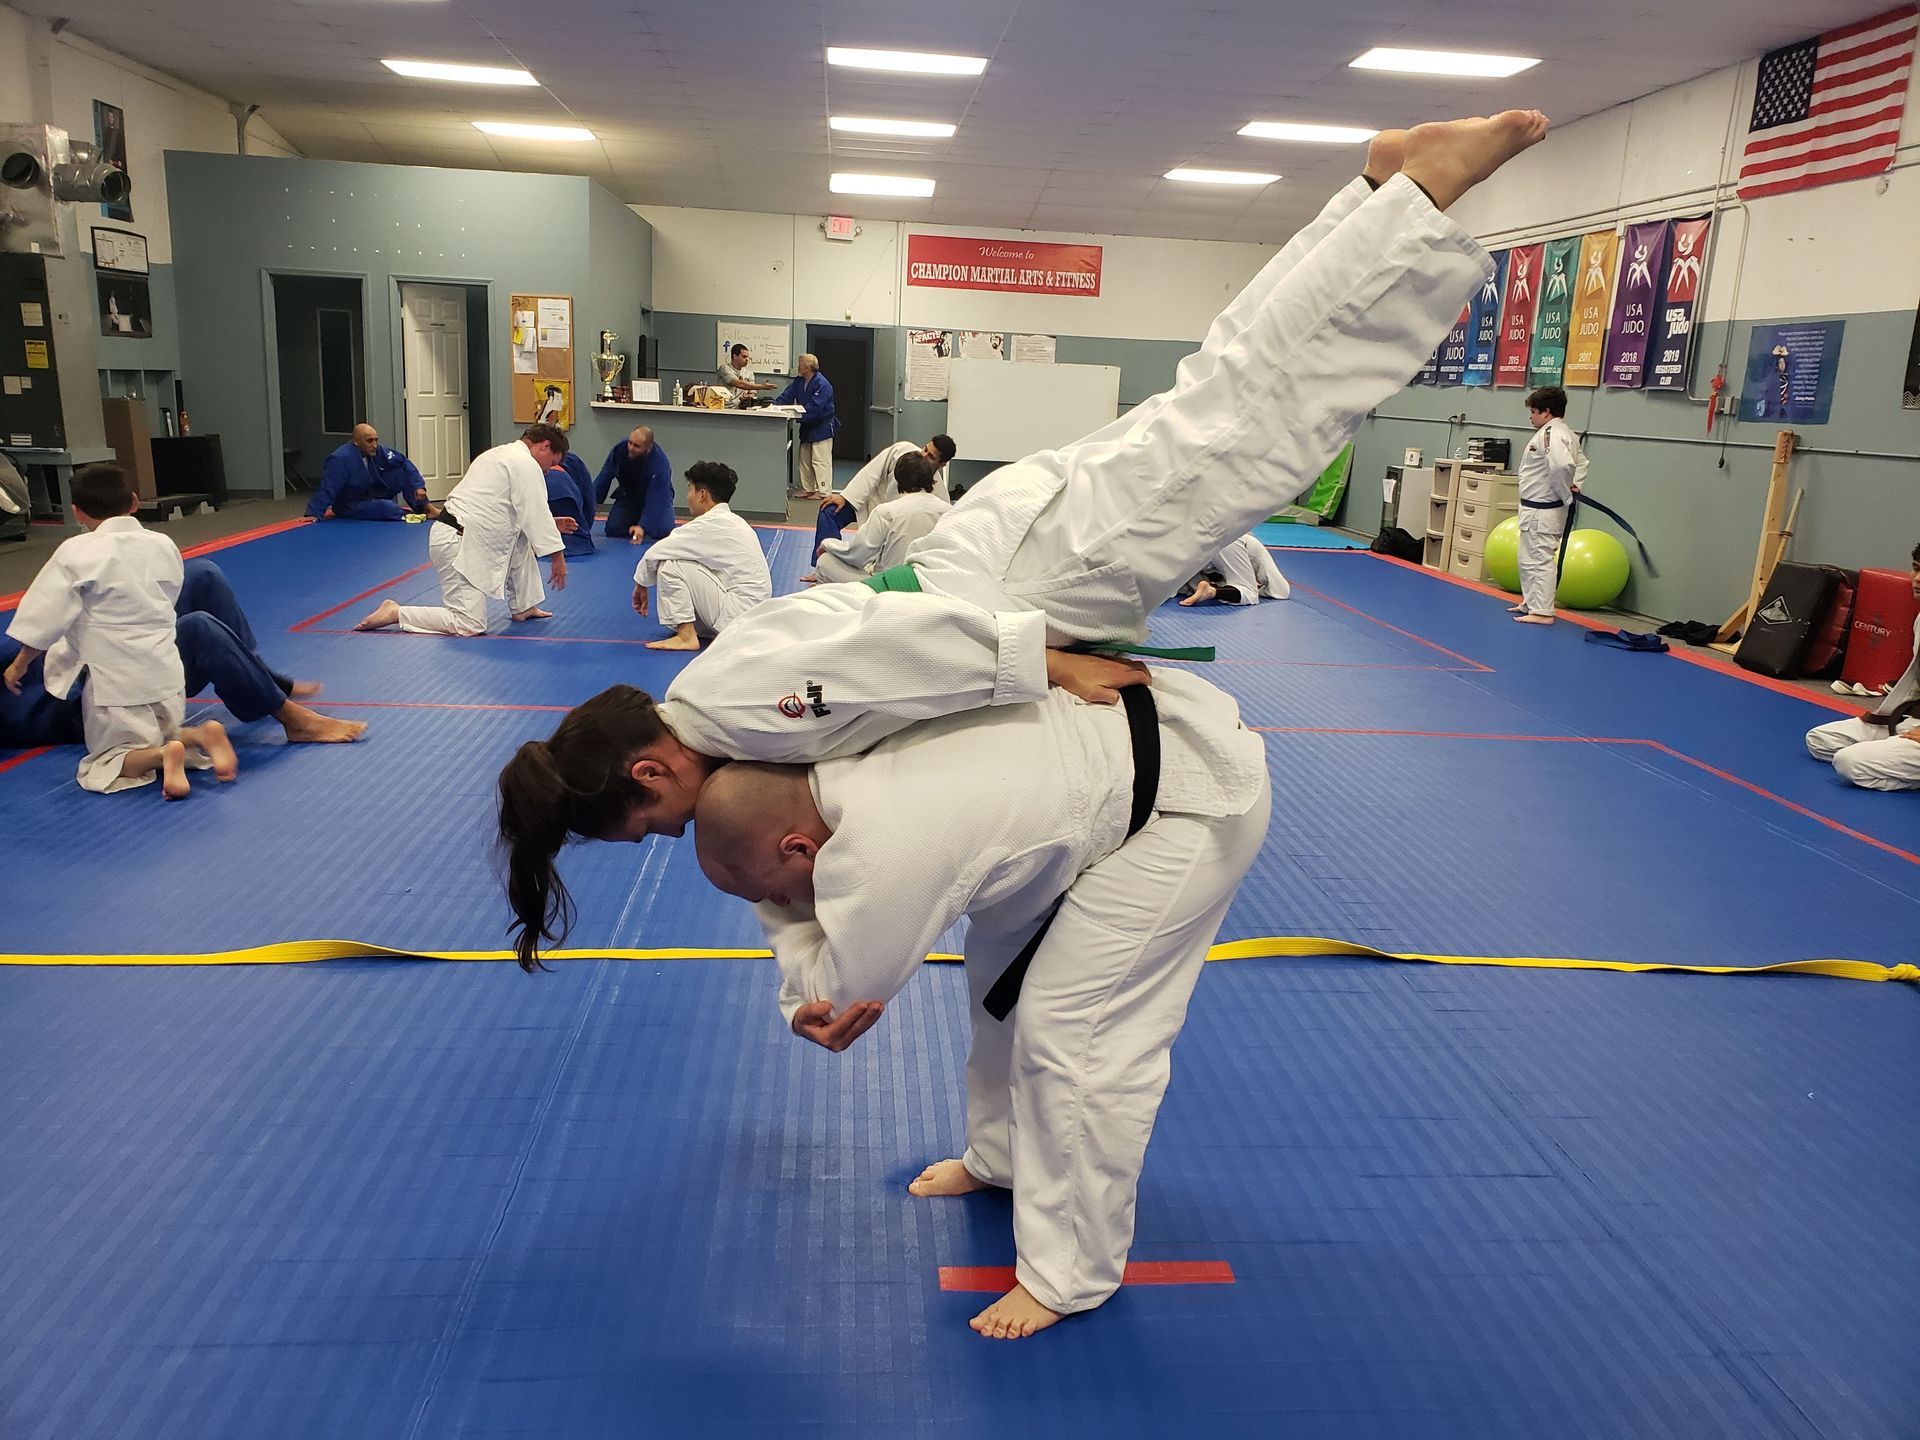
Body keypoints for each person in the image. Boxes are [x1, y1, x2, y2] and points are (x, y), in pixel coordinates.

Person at [496, 111, 1547, 932]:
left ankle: (1420, 193)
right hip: (1010, 550)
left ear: (650, 773)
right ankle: (1375, 192)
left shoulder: (739, 712)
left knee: (1264, 424)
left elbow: (892, 645)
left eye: (647, 830)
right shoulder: (715, 699)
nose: (671, 836)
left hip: (1034, 581)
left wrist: (1044, 664)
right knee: (1220, 396)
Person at [692, 664, 1269, 1340]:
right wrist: (787, 934)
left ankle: (1071, 1274)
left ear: (799, 845)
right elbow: (797, 912)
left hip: (1186, 806)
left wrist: (798, 1001)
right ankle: (999, 1159)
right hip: (1101, 789)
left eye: (778, 892)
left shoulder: (882, 847)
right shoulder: (824, 773)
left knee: (1073, 1037)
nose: (786, 910)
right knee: (999, 980)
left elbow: (845, 988)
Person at [3, 464, 237, 797]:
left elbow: (46, 614)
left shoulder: (76, 551)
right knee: (161, 730)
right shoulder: (162, 544)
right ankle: (200, 736)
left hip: (114, 680)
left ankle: (163, 757)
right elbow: (170, 596)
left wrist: (21, 663)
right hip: (165, 670)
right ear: (133, 502)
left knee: (107, 760)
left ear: (77, 512)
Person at [1, 558, 367, 750]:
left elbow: (35, 633)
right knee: (197, 628)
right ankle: (295, 721)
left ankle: (263, 677)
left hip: (88, 658)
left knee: (201, 575)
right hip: (91, 702)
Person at [353, 424, 574, 636]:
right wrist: (558, 557)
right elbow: (534, 511)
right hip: (456, 543)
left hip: (460, 531)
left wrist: (550, 524)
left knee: (520, 539)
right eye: (550, 463)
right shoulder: (525, 463)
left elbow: (502, 510)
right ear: (544, 446)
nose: (547, 471)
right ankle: (396, 612)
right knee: (469, 624)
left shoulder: (498, 454)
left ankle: (524, 606)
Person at [1804, 542, 1920, 791]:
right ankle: (1892, 756)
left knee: (1848, 762)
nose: (1917, 579)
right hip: (1911, 722)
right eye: (1916, 569)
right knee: (1820, 740)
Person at [631, 461, 771, 651]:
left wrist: (641, 584)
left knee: (670, 563)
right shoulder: (734, 522)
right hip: (749, 616)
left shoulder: (710, 524)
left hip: (737, 614)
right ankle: (691, 631)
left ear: (702, 494)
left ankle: (686, 637)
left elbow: (657, 552)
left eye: (690, 489)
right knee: (682, 561)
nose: (688, 496)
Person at [810, 452, 949, 584]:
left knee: (825, 562)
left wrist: (828, 544)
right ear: (932, 479)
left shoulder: (887, 512)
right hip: (929, 584)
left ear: (897, 479)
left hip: (888, 587)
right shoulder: (947, 511)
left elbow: (857, 556)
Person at [812, 434, 957, 559]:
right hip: (870, 502)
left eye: (931, 456)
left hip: (893, 525)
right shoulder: (902, 450)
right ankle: (820, 564)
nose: (923, 455)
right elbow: (871, 472)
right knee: (830, 510)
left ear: (942, 464)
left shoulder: (939, 495)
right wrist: (845, 497)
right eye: (925, 449)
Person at [1513, 385, 1587, 625]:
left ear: (1546, 412)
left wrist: (1566, 491)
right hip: (1534, 508)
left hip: (1543, 509)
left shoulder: (1553, 434)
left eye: (1534, 411)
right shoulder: (1563, 433)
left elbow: (1562, 466)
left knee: (1540, 559)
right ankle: (1531, 602)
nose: (1530, 416)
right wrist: (1574, 484)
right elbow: (1582, 463)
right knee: (1527, 558)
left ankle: (1543, 611)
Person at [307, 424, 432, 521]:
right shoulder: (340, 459)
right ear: (356, 442)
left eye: (376, 440)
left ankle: (426, 508)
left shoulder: (376, 451)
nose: (375, 445)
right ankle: (403, 514)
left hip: (371, 493)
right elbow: (328, 487)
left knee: (401, 473)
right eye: (369, 441)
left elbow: (404, 461)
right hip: (350, 504)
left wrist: (419, 485)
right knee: (387, 508)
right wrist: (313, 513)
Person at [592, 427, 675, 544]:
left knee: (663, 531)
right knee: (613, 529)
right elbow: (604, 476)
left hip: (659, 497)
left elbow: (656, 498)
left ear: (648, 448)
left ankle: (642, 521)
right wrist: (592, 503)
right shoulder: (619, 450)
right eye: (630, 443)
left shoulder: (660, 464)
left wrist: (642, 527)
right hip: (629, 495)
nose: (631, 448)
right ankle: (635, 518)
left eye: (636, 446)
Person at [774, 354, 839, 500]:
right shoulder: (799, 381)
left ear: (808, 367)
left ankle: (824, 491)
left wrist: (799, 415)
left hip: (821, 425)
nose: (798, 367)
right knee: (805, 458)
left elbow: (816, 407)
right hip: (807, 425)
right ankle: (808, 489)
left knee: (820, 460)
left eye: (800, 364)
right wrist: (773, 407)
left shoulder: (823, 384)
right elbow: (786, 397)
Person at [1178, 533, 1290, 606]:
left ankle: (1210, 588)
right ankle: (1213, 592)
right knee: (1278, 591)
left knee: (1191, 585)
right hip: (1228, 541)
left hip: (1193, 548)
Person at [545, 449, 598, 558]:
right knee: (576, 536)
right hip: (561, 489)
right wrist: (584, 527)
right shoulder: (571, 459)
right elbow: (589, 496)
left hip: (539, 488)